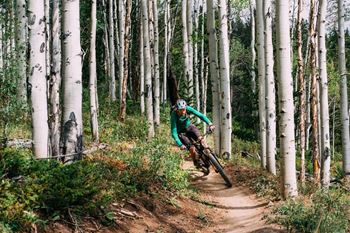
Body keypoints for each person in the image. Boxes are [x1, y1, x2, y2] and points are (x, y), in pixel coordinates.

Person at [170, 99, 215, 169]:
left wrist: (209, 123)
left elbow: (200, 115)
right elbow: (174, 131)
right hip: (181, 132)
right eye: (181, 110)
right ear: (177, 109)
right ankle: (196, 161)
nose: (183, 111)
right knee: (192, 148)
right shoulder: (174, 115)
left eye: (184, 109)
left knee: (202, 140)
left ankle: (209, 155)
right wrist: (180, 144)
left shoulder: (188, 109)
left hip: (189, 127)